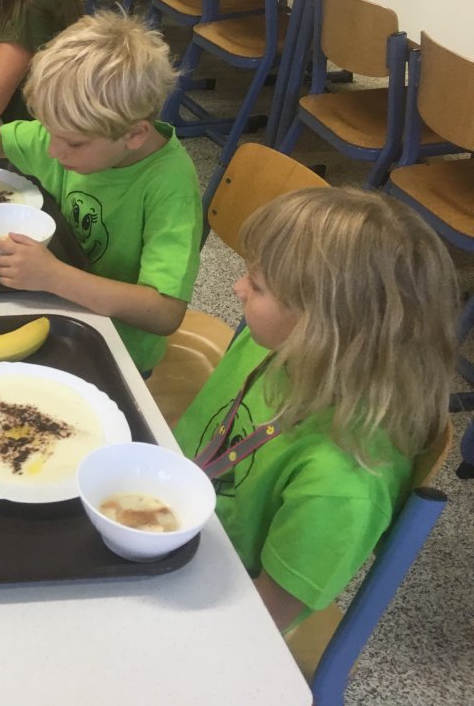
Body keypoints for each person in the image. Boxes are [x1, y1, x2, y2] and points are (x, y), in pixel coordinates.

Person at [173, 188, 457, 632]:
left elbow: (265, 619)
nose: (236, 288)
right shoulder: (273, 346)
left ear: (325, 328)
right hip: (179, 522)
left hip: (219, 606)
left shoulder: (342, 483)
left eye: (257, 285)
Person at [0, 13, 201, 374]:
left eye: (72, 143)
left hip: (114, 350)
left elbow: (165, 312)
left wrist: (54, 277)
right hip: (56, 302)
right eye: (49, 132)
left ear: (134, 134)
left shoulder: (170, 187)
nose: (54, 151)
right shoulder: (80, 131)